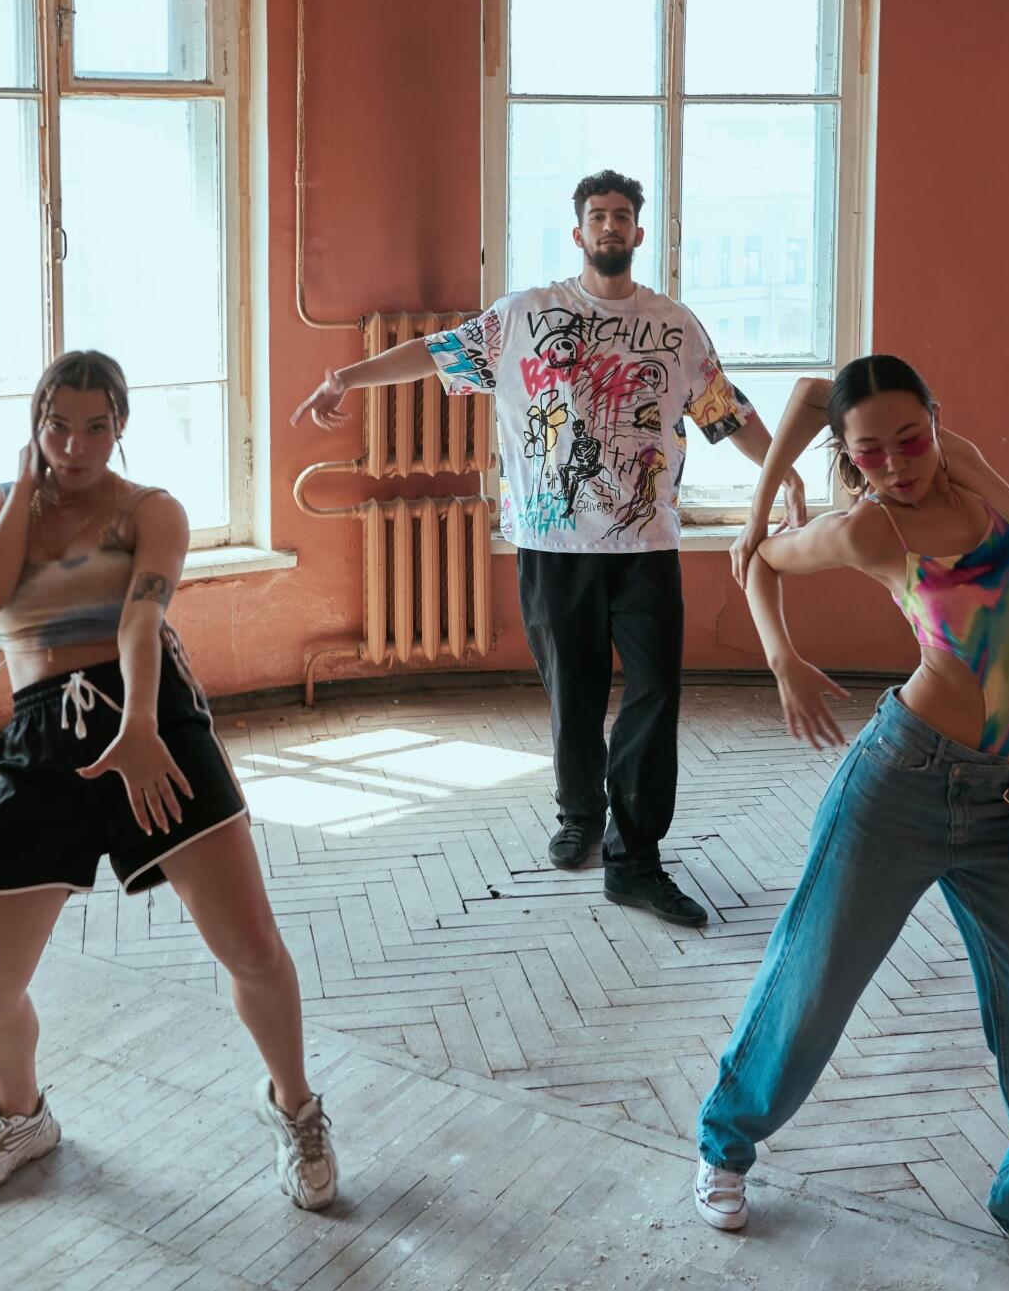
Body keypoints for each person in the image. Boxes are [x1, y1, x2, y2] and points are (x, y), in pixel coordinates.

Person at [691, 354, 1009, 1288]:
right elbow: (757, 562)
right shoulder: (870, 527)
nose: (896, 462)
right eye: (869, 452)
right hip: (904, 785)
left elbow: (808, 394)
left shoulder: (964, 470)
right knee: (813, 983)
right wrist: (781, 655)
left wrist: (784, 471)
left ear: (936, 419)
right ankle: (725, 1143)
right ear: (852, 460)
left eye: (909, 437)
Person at [292, 171, 773, 928]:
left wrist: (782, 480)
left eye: (622, 217)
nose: (610, 227)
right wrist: (346, 379)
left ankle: (635, 859)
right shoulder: (526, 315)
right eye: (597, 216)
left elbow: (723, 409)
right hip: (553, 541)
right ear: (578, 232)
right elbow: (433, 350)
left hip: (646, 544)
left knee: (654, 695)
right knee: (572, 693)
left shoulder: (675, 326)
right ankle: (580, 812)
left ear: (639, 234)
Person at [0, 350, 336, 1212]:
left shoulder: (151, 511)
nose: (73, 445)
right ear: (33, 424)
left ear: (121, 427)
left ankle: (296, 1106)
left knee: (252, 949)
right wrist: (23, 487)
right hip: (41, 739)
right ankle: (22, 1117)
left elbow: (142, 616)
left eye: (93, 427)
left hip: (148, 717)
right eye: (56, 426)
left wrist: (143, 725)